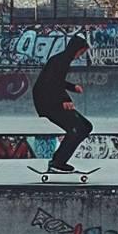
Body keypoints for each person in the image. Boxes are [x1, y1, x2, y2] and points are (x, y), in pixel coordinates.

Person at [32, 35, 92, 172]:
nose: (80, 56)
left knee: (86, 127)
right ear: (75, 49)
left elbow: (55, 80)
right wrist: (65, 100)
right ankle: (58, 162)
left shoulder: (60, 59)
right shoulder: (62, 61)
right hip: (48, 103)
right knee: (77, 129)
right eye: (81, 52)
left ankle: (58, 160)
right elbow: (51, 83)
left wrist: (72, 87)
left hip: (49, 100)